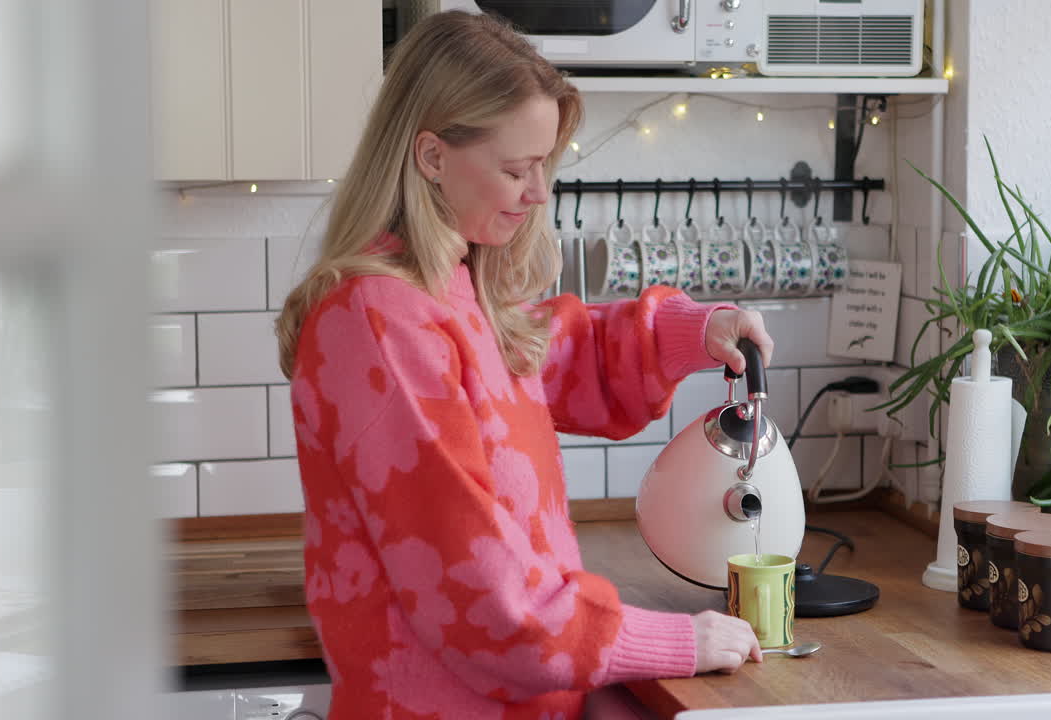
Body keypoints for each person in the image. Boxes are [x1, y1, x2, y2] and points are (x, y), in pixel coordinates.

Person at [275, 10, 775, 719]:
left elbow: (547, 352)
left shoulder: (448, 290)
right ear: (432, 157)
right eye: (517, 169)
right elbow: (480, 596)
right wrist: (674, 642)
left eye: (544, 165)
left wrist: (697, 332)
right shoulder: (380, 323)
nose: (539, 191)